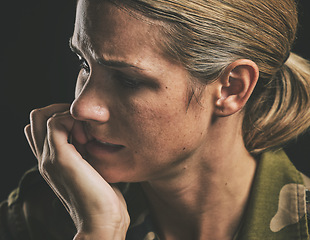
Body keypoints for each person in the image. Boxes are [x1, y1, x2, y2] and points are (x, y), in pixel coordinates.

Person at [1, 0, 310, 239]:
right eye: (84, 62)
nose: (82, 107)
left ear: (232, 88)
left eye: (128, 81)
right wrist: (99, 230)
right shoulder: (37, 220)